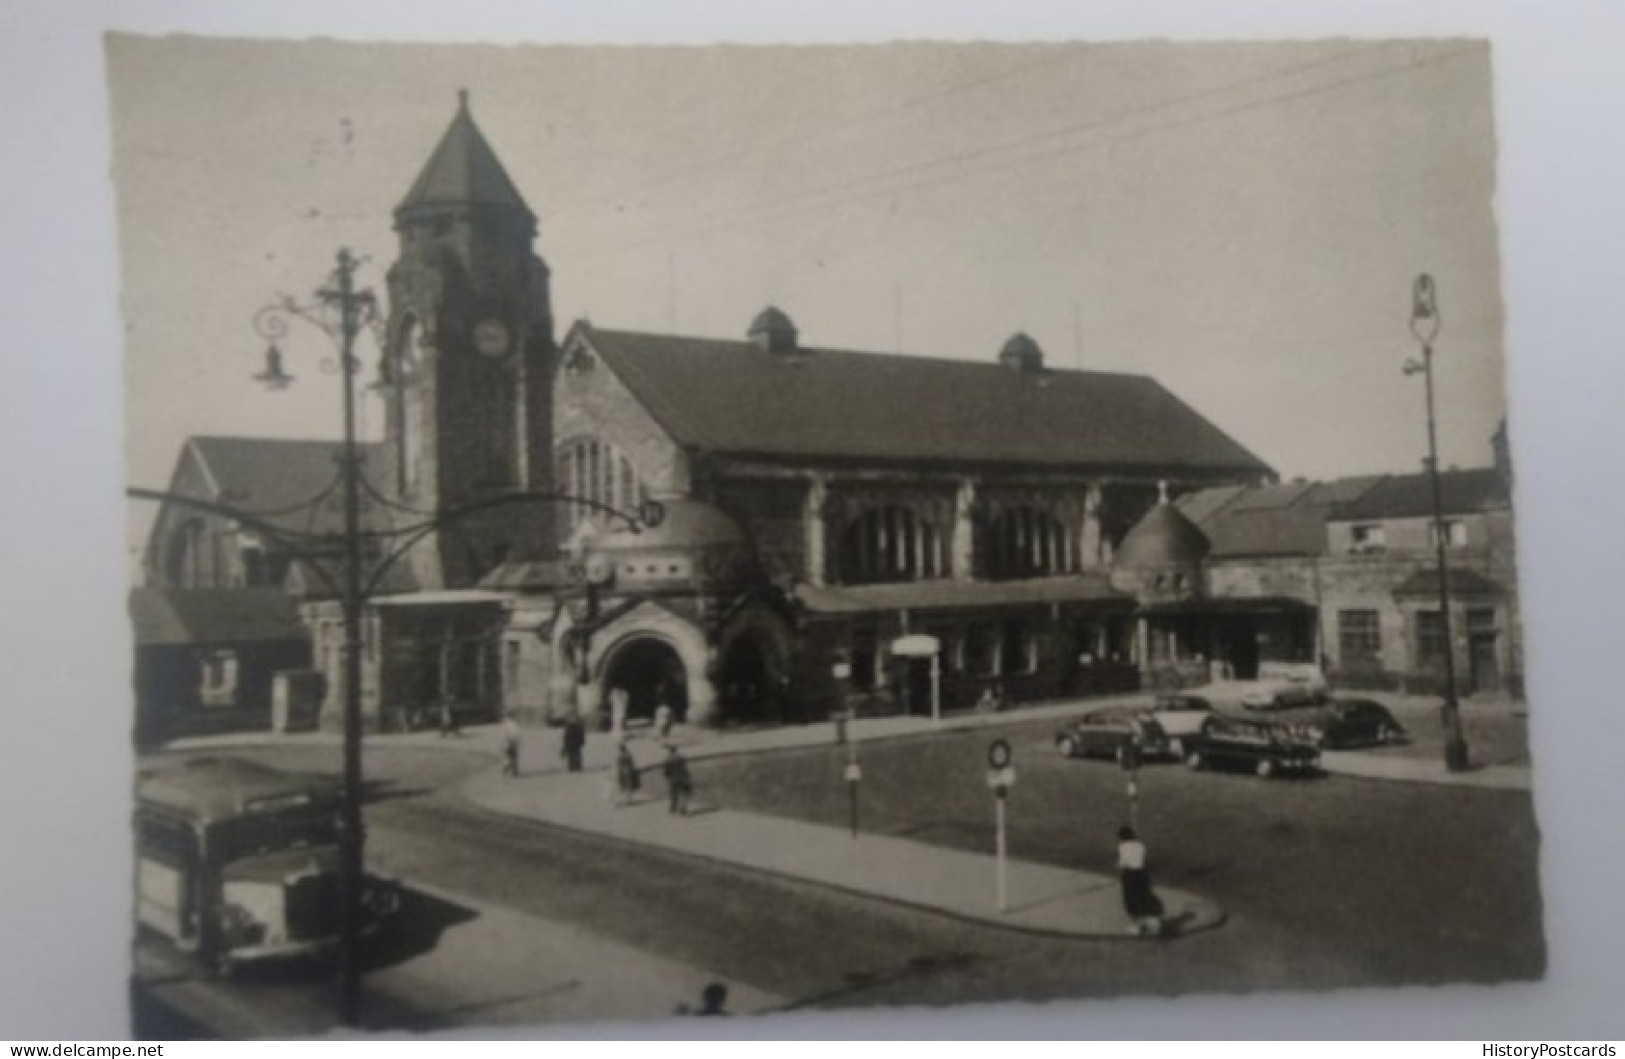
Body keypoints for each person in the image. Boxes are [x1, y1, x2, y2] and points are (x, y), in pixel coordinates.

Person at [1116, 825, 1164, 937]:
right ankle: (1153, 924)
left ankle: (1136, 926)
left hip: (1130, 874)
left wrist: (1117, 865)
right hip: (1142, 873)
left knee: (1131, 899)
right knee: (1144, 896)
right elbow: (1142, 858)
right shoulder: (1140, 845)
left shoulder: (1122, 846)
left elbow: (1123, 863)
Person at [663, 745, 693, 815]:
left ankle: (673, 808)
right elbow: (685, 767)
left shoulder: (668, 760)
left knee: (674, 794)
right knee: (685, 793)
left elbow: (666, 771)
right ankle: (683, 808)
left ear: (669, 751)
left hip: (673, 778)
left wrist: (667, 777)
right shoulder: (682, 758)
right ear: (676, 750)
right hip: (683, 777)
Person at [615, 738, 641, 805]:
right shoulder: (629, 755)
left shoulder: (620, 756)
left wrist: (619, 773)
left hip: (624, 771)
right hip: (629, 770)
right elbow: (632, 763)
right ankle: (629, 799)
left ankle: (628, 799)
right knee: (629, 785)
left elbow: (619, 766)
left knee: (626, 785)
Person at [501, 712, 521, 777]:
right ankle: (514, 771)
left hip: (509, 741)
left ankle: (512, 770)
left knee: (511, 757)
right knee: (514, 757)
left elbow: (505, 734)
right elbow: (516, 733)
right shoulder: (513, 723)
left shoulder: (506, 724)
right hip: (513, 741)